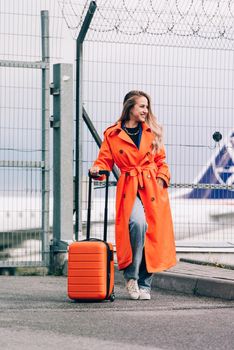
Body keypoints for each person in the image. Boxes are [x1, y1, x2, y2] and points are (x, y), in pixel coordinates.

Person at [90, 90, 176, 300]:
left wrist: (161, 178)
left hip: (153, 187)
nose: (146, 110)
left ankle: (145, 283)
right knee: (138, 224)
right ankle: (132, 277)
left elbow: (161, 161)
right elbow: (105, 160)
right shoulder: (112, 134)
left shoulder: (152, 131)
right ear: (130, 108)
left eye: (147, 106)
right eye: (142, 106)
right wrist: (97, 170)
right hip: (129, 185)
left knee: (153, 234)